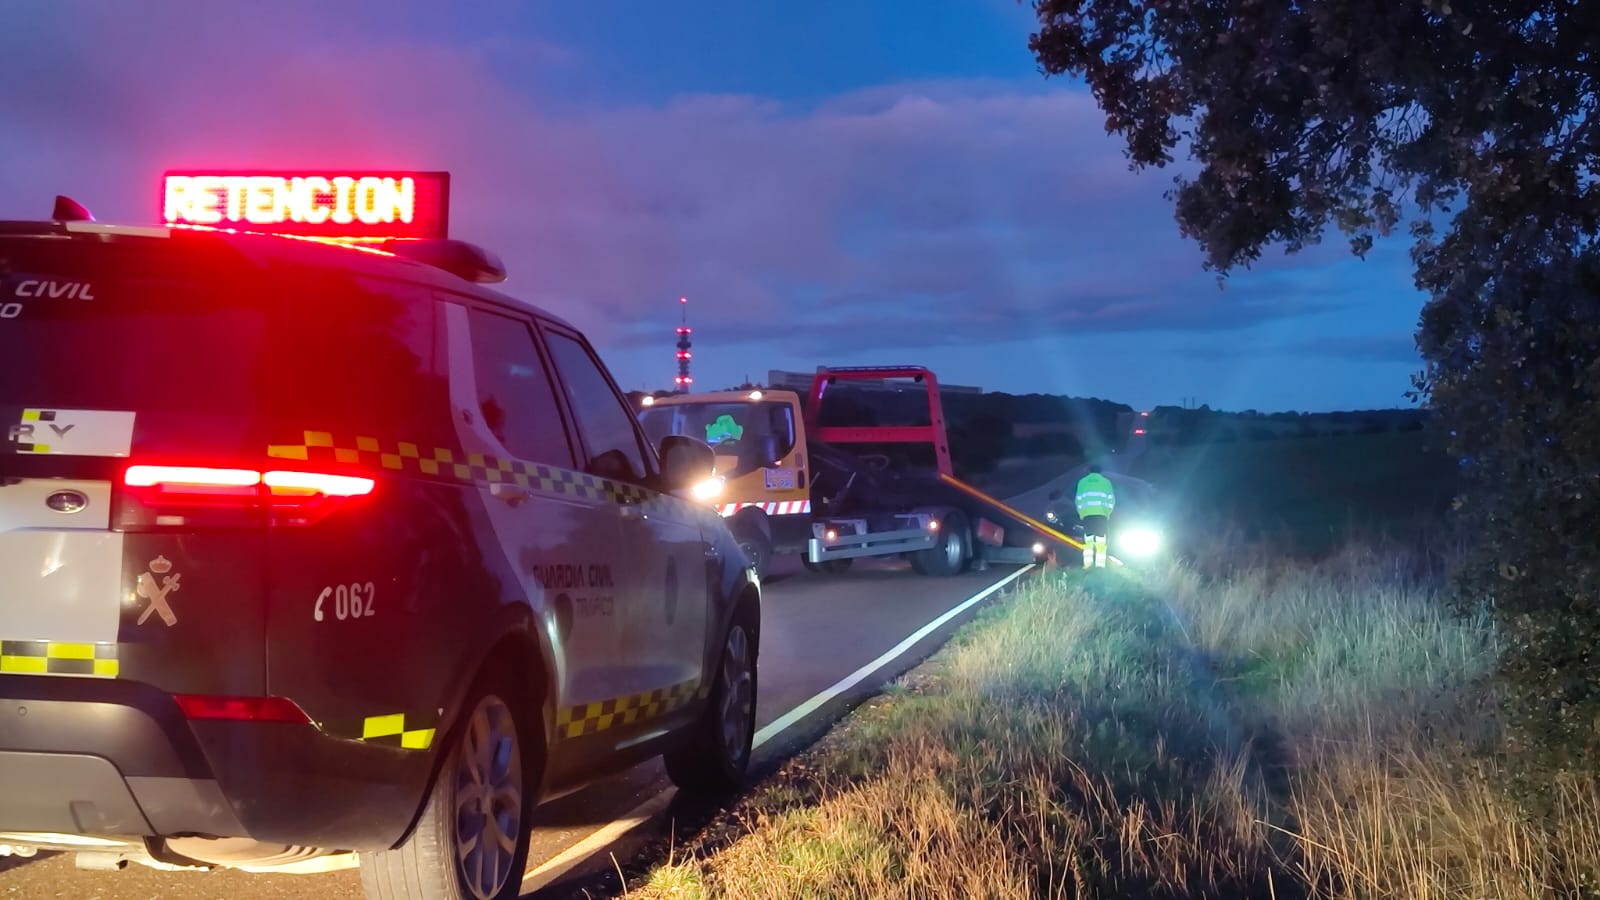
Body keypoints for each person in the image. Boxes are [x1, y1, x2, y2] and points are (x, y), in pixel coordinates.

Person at [1074, 463, 1116, 568]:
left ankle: (1087, 565)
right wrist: (1108, 513)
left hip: (1087, 516)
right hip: (1101, 515)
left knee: (1088, 541)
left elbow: (1078, 500)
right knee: (1101, 541)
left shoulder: (1082, 482)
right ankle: (1100, 566)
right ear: (1100, 471)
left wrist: (1081, 514)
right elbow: (1111, 500)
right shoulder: (1106, 482)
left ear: (1089, 471)